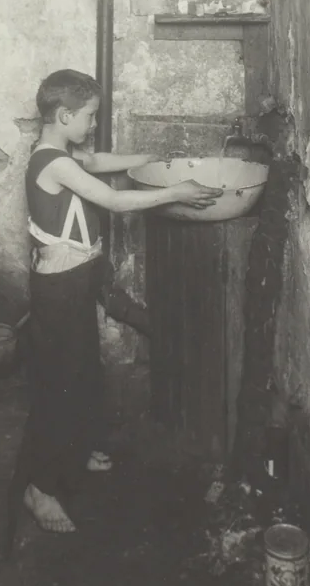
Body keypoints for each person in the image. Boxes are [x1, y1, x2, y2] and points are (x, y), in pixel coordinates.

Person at [19, 68, 222, 534]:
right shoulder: (51, 162)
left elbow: (97, 160)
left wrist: (150, 158)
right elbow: (112, 201)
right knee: (59, 383)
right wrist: (177, 191)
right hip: (59, 286)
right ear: (63, 115)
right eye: (89, 116)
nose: (93, 125)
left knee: (83, 372)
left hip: (77, 276)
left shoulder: (60, 152)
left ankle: (73, 452)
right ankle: (39, 488)